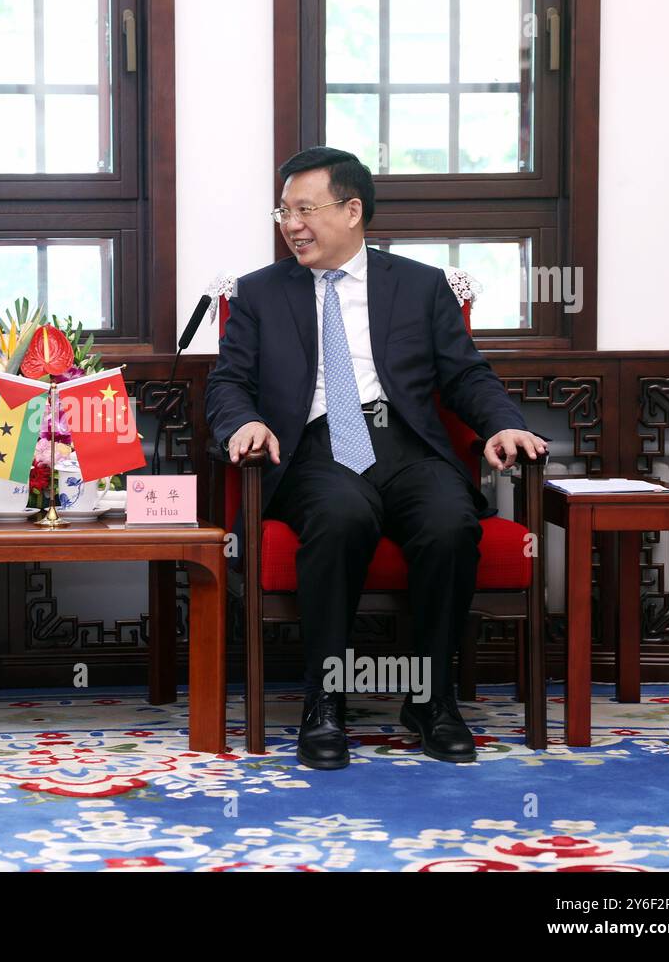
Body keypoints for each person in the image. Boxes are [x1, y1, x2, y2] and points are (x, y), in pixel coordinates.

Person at [206, 146, 547, 770]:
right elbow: (227, 383)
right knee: (341, 516)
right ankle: (325, 698)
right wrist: (245, 420)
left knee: (450, 523)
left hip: (406, 446)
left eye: (304, 209)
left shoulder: (419, 285)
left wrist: (503, 425)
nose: (290, 224)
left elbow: (466, 374)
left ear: (353, 210)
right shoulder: (259, 293)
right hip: (315, 446)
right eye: (283, 211)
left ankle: (431, 698)